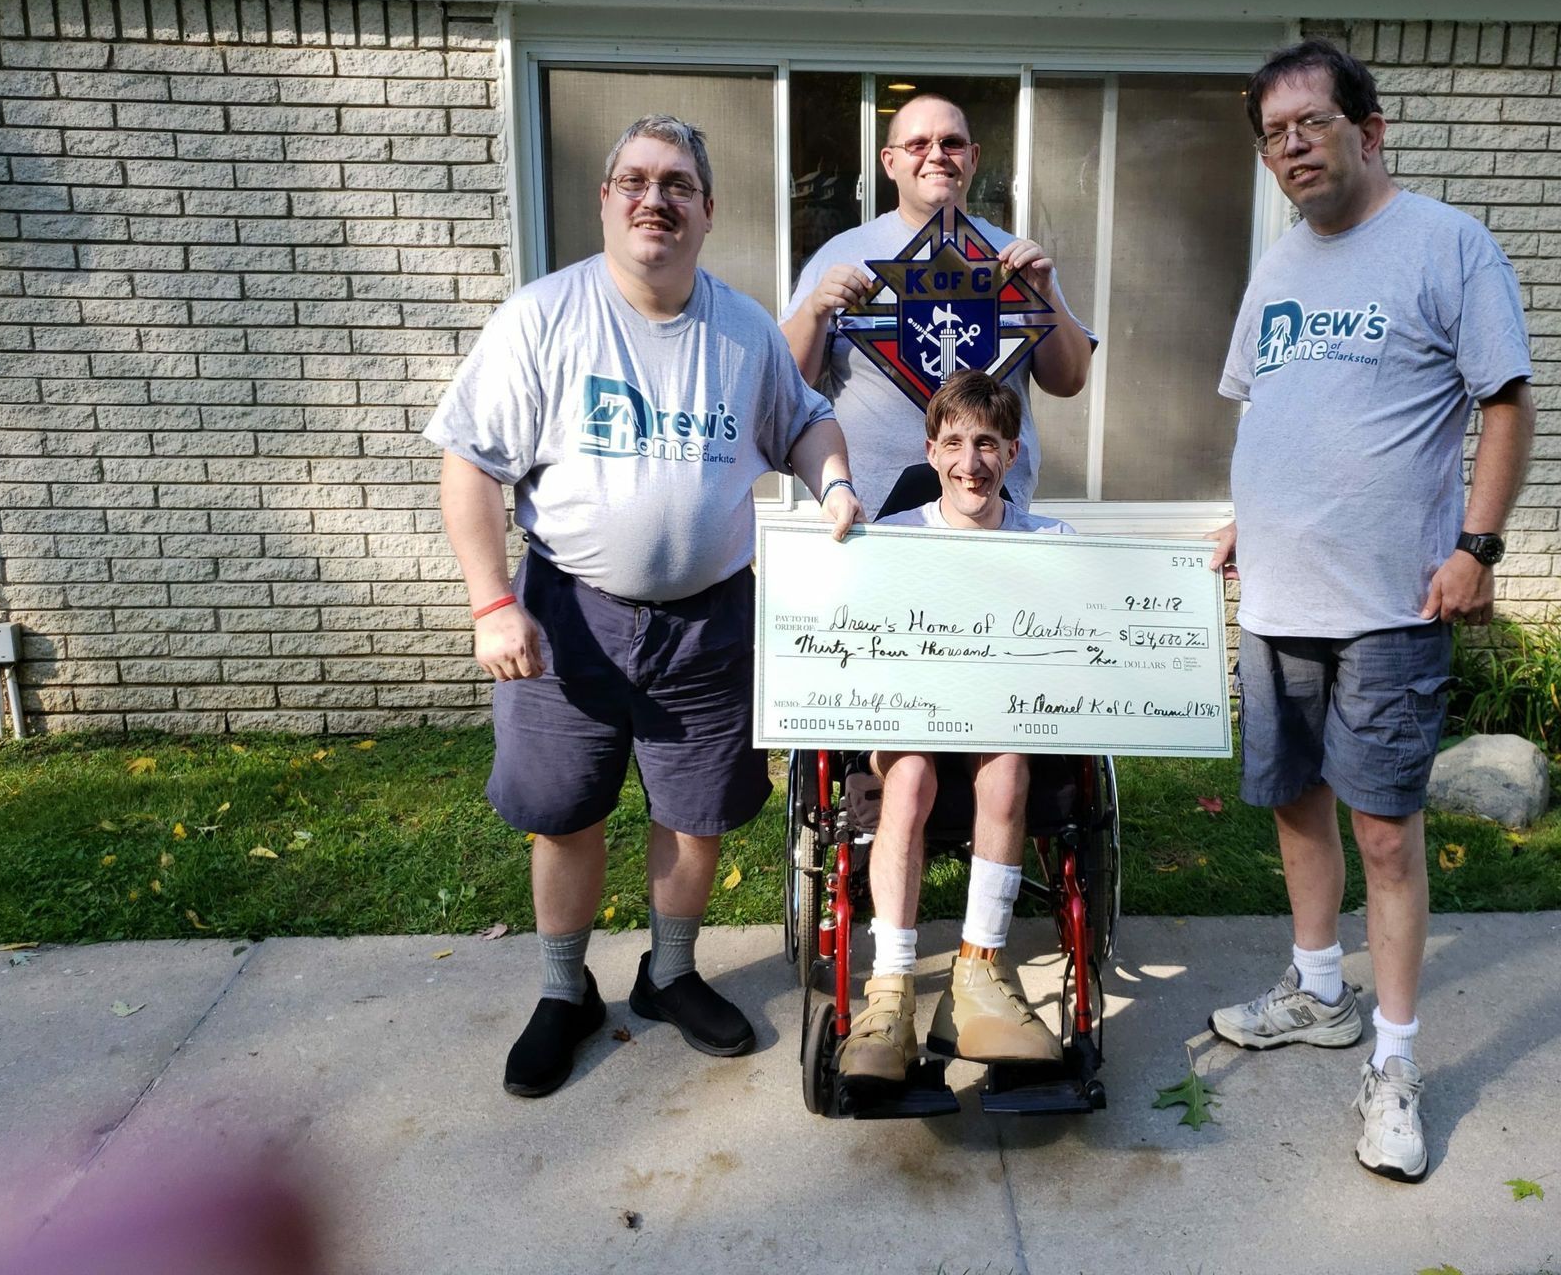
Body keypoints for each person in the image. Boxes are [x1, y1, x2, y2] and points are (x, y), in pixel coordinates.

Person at [425, 115, 862, 1098]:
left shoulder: (743, 327)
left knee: (696, 814)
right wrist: (493, 602)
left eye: (676, 184)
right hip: (567, 617)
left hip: (709, 623)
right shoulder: (543, 317)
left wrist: (831, 484)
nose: (653, 197)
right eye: (633, 180)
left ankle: (669, 974)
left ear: (708, 210)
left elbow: (808, 423)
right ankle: (561, 989)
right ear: (607, 200)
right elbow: (469, 464)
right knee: (564, 815)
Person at [1204, 39, 1537, 1182]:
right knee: (1293, 799)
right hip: (1278, 594)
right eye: (1275, 134)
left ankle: (1393, 1065)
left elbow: (1505, 406)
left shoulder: (1448, 245)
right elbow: (1269, 406)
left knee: (1386, 833)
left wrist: (1477, 548)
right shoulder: (1280, 265)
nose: (1292, 146)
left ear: (1369, 128)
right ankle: (1318, 988)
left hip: (1393, 606)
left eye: (1311, 122)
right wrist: (1249, 513)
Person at [835, 370, 1072, 1089]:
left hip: (1001, 717)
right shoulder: (888, 538)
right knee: (907, 777)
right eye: (957, 444)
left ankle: (979, 971)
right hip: (912, 715)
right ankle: (892, 990)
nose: (973, 462)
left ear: (1014, 453)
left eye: (990, 444)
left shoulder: (1051, 540)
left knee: (1007, 766)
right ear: (932, 451)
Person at [781, 93, 1094, 518]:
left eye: (951, 143)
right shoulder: (842, 254)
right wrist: (816, 309)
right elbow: (787, 385)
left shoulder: (1014, 259)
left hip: (992, 508)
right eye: (918, 144)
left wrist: (1045, 296)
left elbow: (1069, 380)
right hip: (871, 512)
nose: (937, 156)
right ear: (890, 162)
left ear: (973, 157)